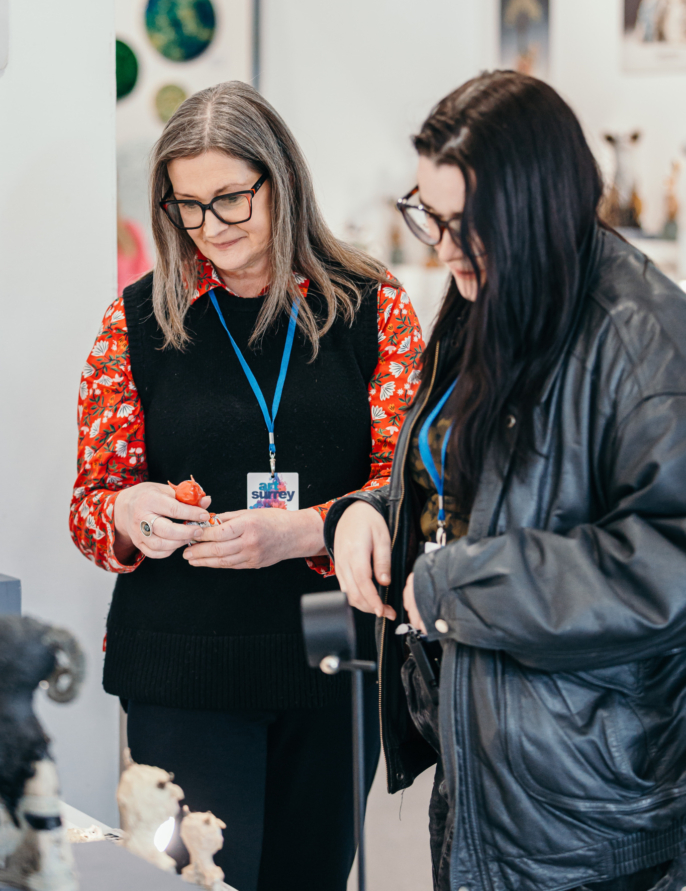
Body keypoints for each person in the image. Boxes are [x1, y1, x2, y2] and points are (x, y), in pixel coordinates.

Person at [327, 71, 686, 891]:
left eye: (464, 225)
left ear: (534, 206)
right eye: (428, 215)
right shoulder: (485, 293)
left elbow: (669, 565)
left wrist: (464, 587)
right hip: (486, 771)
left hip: (587, 813)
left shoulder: (643, 339)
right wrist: (372, 513)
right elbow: (469, 486)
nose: (442, 248)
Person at [70, 81, 424, 891]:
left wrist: (304, 531)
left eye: (231, 199)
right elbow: (91, 503)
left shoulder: (372, 308)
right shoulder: (137, 321)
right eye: (188, 206)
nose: (211, 226)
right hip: (179, 671)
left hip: (332, 665)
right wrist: (126, 509)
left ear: (282, 178)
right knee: (195, 884)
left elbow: (411, 492)